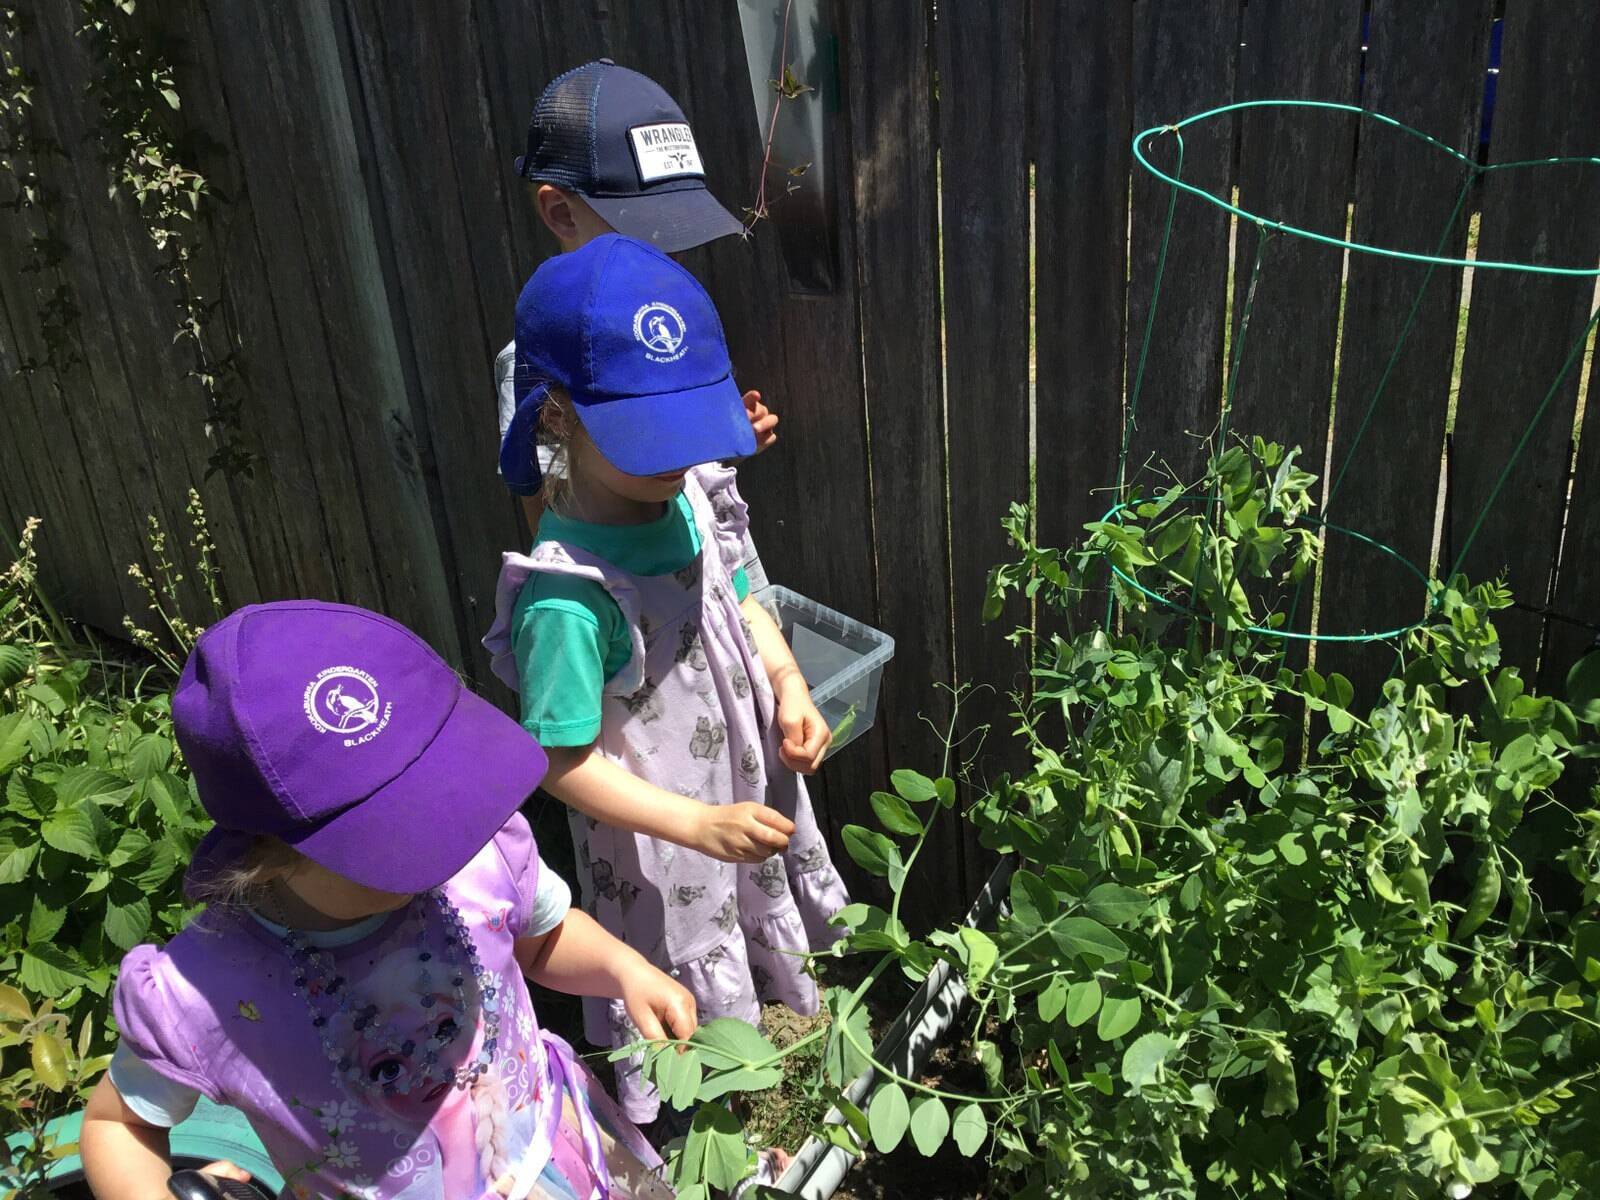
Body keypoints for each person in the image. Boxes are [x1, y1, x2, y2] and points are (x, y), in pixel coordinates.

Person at [80, 600, 697, 1200]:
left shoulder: (480, 855)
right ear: (269, 852)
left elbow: (539, 939)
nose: (449, 837)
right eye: (404, 832)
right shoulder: (204, 994)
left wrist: (624, 969)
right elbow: (118, 1125)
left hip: (548, 1147)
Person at [483, 235, 850, 1127]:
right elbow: (558, 761)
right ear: (557, 415)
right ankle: (708, 1120)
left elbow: (737, 594)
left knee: (751, 912)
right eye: (652, 433)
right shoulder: (569, 597)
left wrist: (789, 683)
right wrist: (695, 824)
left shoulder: (681, 493)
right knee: (685, 972)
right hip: (660, 836)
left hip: (738, 784)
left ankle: (758, 1056)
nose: (678, 454)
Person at [498, 57, 777, 593]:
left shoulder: (671, 315)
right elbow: (549, 519)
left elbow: (657, 454)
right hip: (636, 606)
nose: (670, 250)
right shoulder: (537, 364)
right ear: (561, 214)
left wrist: (720, 432)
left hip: (714, 572)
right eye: (649, 228)